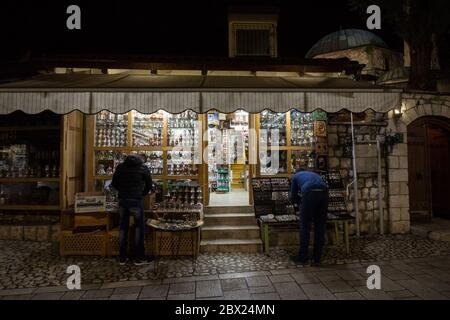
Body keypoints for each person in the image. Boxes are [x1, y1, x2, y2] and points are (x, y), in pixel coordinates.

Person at [112, 154, 153, 265]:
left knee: (123, 228)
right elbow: (149, 185)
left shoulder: (120, 167)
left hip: (123, 200)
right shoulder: (143, 168)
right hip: (136, 200)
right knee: (139, 227)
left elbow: (114, 184)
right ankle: (139, 257)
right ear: (141, 159)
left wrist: (122, 191)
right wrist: (142, 194)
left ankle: (122, 257)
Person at [290, 168, 328, 265]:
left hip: (309, 193)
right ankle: (317, 258)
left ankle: (303, 256)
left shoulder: (295, 176)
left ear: (296, 173)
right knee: (320, 226)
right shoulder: (313, 174)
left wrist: (300, 203)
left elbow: (293, 197)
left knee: (305, 226)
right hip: (324, 192)